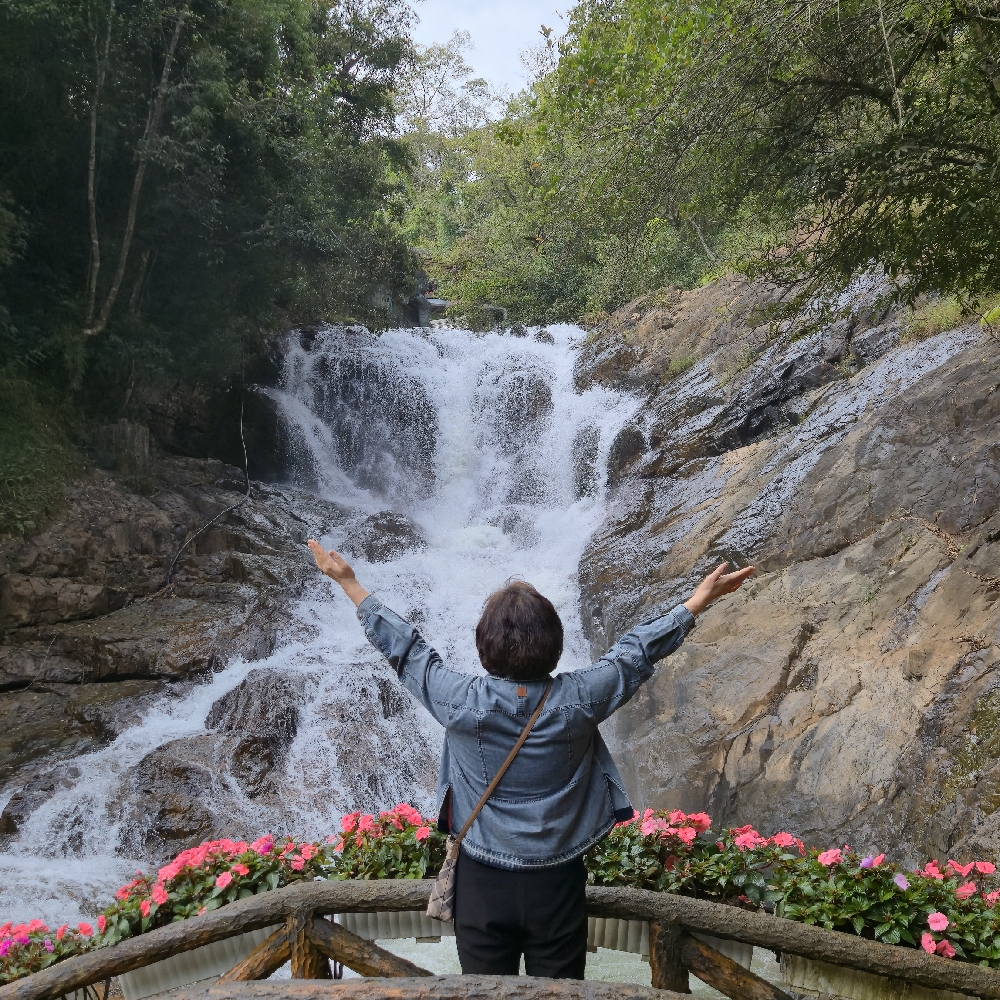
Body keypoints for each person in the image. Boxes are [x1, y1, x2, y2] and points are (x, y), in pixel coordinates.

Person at [307, 538, 753, 979]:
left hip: (481, 880)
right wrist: (695, 602)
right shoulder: (580, 699)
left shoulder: (458, 701)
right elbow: (634, 655)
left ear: (484, 644)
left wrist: (351, 584)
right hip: (557, 883)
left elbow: (407, 650)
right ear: (554, 642)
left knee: (484, 994)